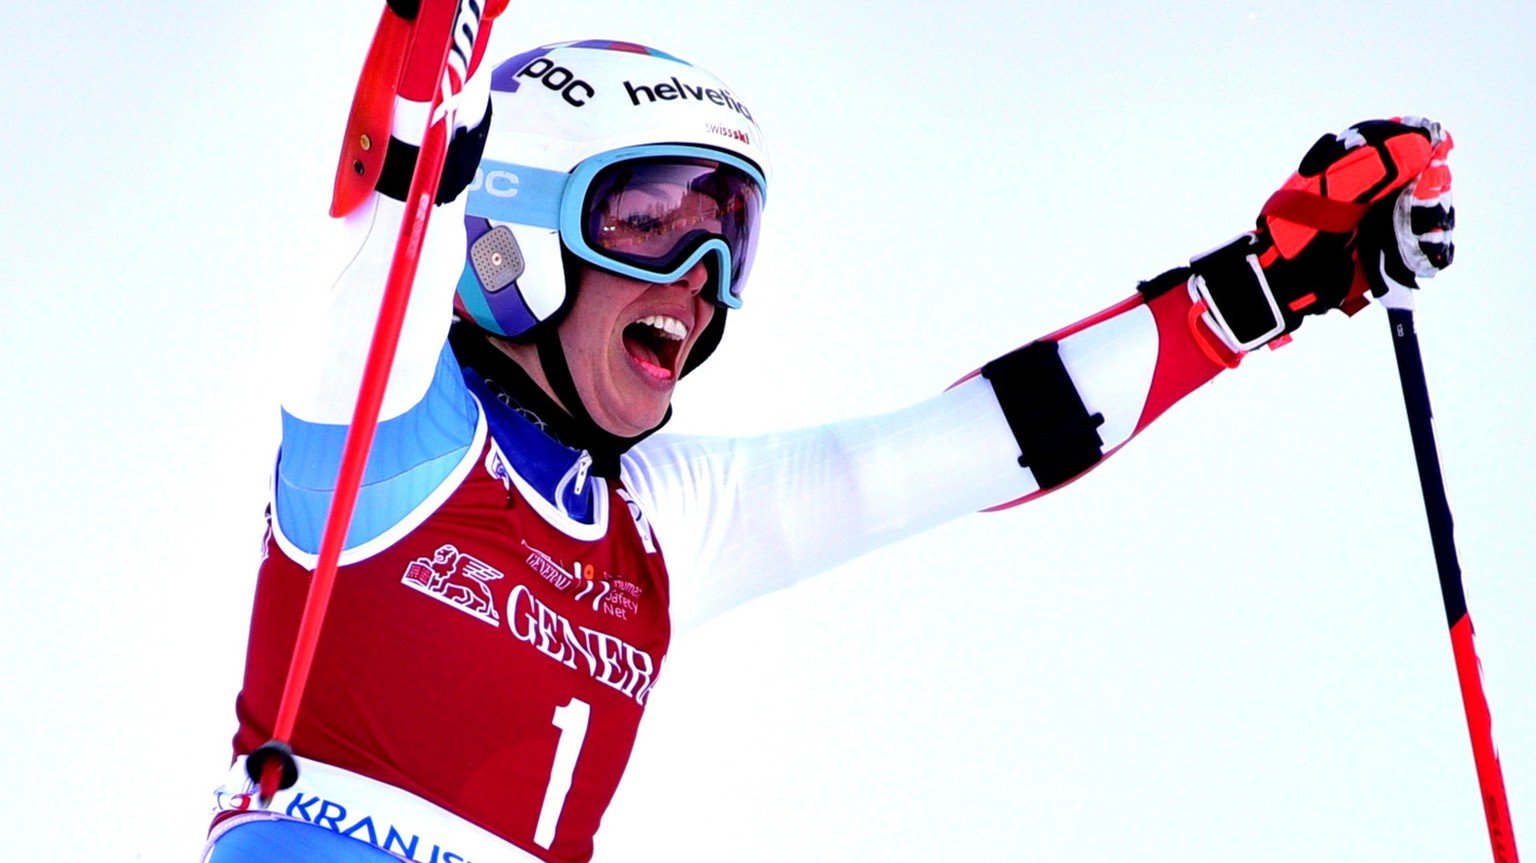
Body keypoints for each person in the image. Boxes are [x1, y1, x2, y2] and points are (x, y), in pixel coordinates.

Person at [203, 33, 1455, 863]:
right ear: (508, 236)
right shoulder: (388, 447)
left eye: (725, 237)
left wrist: (1274, 285)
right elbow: (391, 222)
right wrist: (430, 96)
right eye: (646, 219)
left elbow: (962, 448)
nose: (696, 281)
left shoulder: (657, 522)